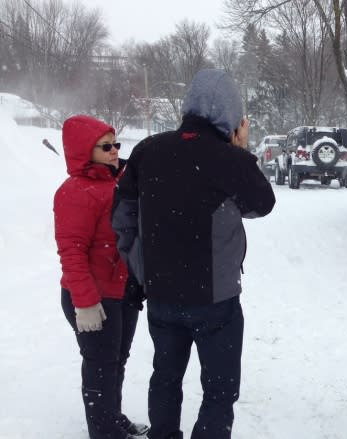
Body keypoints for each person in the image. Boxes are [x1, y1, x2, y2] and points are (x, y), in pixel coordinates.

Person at [112, 69, 276, 439]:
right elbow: (261, 204)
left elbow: (122, 217)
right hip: (215, 301)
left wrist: (142, 270)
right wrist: (241, 151)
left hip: (162, 296)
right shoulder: (228, 159)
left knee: (165, 378)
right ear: (231, 115)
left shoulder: (147, 151)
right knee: (219, 390)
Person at [54, 115, 148, 438]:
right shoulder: (74, 192)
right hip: (92, 296)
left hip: (123, 291)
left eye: (116, 144)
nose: (114, 151)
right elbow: (72, 252)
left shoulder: (119, 183)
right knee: (100, 363)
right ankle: (103, 430)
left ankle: (112, 416)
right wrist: (85, 303)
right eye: (106, 146)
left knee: (117, 360)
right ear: (84, 151)